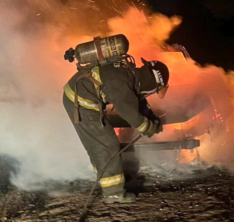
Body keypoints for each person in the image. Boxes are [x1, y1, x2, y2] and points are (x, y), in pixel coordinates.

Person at [62, 57, 169, 203]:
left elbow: (138, 103)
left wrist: (152, 118)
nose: (151, 93)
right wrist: (149, 128)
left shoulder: (131, 76)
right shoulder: (123, 82)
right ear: (152, 84)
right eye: (154, 90)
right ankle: (114, 193)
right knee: (106, 146)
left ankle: (110, 176)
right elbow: (132, 115)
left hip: (82, 97)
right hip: (81, 103)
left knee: (105, 143)